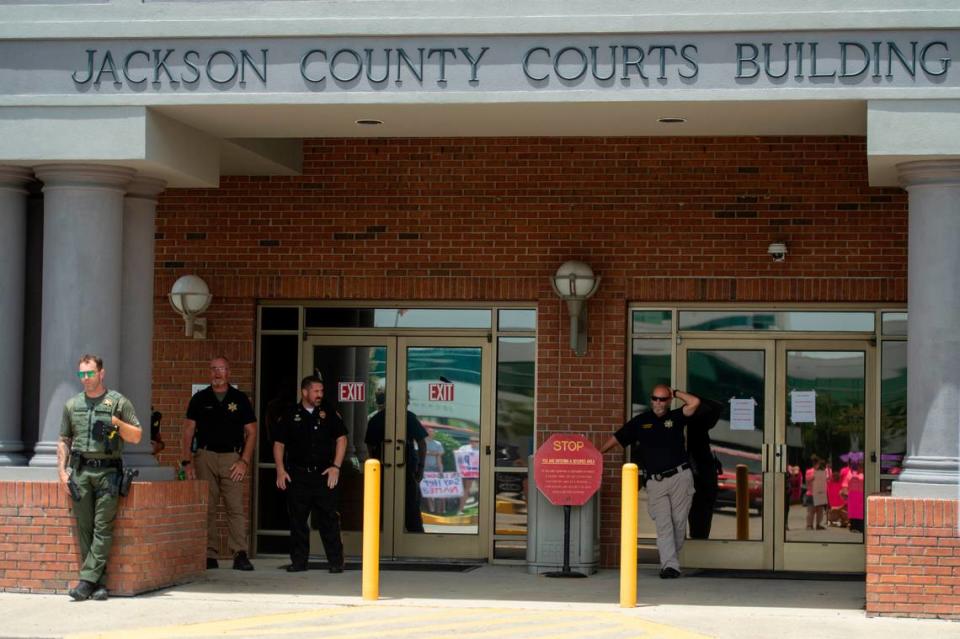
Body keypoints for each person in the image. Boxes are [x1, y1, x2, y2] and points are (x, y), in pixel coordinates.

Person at [57, 354, 142, 601]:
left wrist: (116, 424)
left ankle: (85, 582)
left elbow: (136, 435)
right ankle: (99, 585)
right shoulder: (72, 405)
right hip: (80, 473)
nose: (86, 378)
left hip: (108, 473)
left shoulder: (117, 402)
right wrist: (62, 473)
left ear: (101, 373)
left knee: (103, 527)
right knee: (85, 528)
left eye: (90, 373)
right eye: (82, 374)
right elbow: (64, 440)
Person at [600, 384, 700, 579]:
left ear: (669, 400)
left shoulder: (677, 417)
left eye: (663, 399)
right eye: (655, 398)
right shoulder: (641, 422)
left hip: (680, 477)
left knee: (679, 524)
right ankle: (669, 566)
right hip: (656, 482)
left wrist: (676, 392)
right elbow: (618, 438)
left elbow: (695, 402)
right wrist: (598, 454)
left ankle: (671, 561)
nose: (658, 403)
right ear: (651, 399)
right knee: (664, 525)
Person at [181, 356, 258, 571]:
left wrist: (244, 461)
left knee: (235, 507)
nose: (217, 373)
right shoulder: (200, 399)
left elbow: (252, 432)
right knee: (208, 507)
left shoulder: (240, 398)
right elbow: (188, 431)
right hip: (205, 457)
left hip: (232, 459)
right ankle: (209, 554)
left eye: (221, 369)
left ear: (228, 372)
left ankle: (240, 553)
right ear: (209, 372)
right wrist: (187, 462)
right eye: (214, 369)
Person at [273, 375, 347, 572]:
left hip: (324, 474)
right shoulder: (290, 414)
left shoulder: (328, 412)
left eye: (321, 391)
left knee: (329, 520)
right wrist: (280, 470)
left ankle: (336, 562)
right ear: (304, 392)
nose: (319, 395)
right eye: (316, 391)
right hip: (298, 475)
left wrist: (336, 467)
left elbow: (341, 438)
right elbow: (279, 444)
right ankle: (299, 562)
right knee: (298, 521)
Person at [364, 389, 428, 532]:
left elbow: (369, 447)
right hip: (405, 468)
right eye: (406, 399)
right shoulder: (408, 417)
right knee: (410, 506)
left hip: (391, 468)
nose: (408, 402)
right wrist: (420, 467)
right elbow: (422, 443)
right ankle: (414, 538)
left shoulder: (377, 419)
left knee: (383, 505)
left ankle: (384, 537)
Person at [685, 397, 723, 539]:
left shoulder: (697, 427)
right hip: (698, 480)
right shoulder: (693, 427)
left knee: (701, 519)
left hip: (703, 480)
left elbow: (717, 406)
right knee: (699, 518)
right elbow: (717, 406)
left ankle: (698, 543)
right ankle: (697, 543)